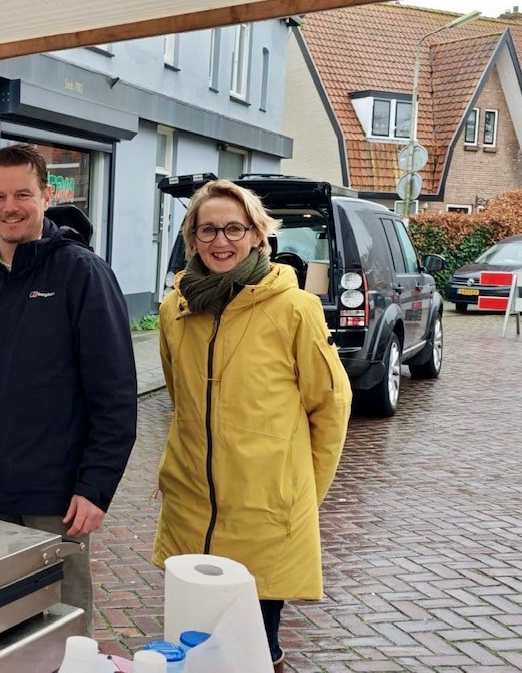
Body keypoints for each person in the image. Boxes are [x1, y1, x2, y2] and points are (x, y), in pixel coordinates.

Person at [0, 144, 138, 634]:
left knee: (59, 628)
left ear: (46, 196)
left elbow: (115, 393)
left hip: (53, 498)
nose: (10, 206)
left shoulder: (81, 273)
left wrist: (95, 487)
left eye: (23, 193)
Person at [153, 179, 350, 672]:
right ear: (192, 238)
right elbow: (182, 400)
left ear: (259, 234)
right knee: (191, 643)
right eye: (208, 230)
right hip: (191, 504)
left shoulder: (294, 309)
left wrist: (303, 491)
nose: (221, 241)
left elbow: (331, 406)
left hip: (265, 509)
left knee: (255, 650)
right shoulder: (175, 311)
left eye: (234, 229)